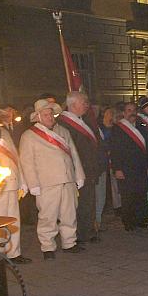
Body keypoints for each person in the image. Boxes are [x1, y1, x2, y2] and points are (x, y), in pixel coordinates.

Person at [19, 99, 85, 260]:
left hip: (67, 180)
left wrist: (79, 175)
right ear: (38, 117)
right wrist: (32, 184)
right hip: (46, 183)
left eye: (51, 114)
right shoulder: (29, 136)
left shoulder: (63, 131)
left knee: (69, 214)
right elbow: (27, 162)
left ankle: (69, 242)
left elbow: (74, 155)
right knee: (47, 217)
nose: (50, 117)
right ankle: (47, 246)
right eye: (46, 115)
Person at [0, 99, 31, 264]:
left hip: (11, 182)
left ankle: (13, 252)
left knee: (13, 219)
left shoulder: (4, 133)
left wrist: (22, 180)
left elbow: (15, 157)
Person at [58, 91, 100, 244]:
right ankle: (77, 235)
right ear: (73, 104)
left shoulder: (84, 121)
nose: (87, 105)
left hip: (89, 169)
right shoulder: (63, 124)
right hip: (77, 171)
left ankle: (88, 231)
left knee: (88, 202)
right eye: (84, 102)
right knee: (77, 205)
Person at [110, 102, 148, 230]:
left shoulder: (141, 127)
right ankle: (128, 222)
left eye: (133, 110)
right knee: (128, 196)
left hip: (140, 167)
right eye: (129, 110)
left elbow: (147, 148)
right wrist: (117, 169)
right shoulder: (118, 128)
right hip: (125, 168)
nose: (131, 113)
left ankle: (140, 219)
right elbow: (115, 150)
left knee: (140, 193)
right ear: (124, 113)